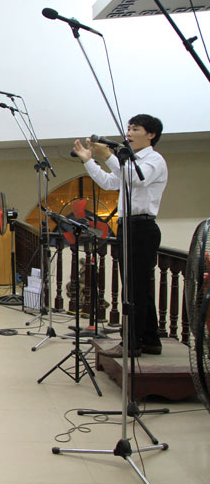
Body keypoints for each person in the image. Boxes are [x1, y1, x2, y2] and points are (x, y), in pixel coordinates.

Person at [73, 114, 168, 357]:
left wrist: (108, 156)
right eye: (129, 128)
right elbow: (109, 183)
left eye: (135, 129)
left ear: (151, 135)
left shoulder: (153, 160)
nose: (129, 133)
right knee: (137, 286)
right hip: (128, 226)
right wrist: (89, 161)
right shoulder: (130, 162)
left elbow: (136, 178)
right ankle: (150, 340)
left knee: (134, 289)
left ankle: (131, 344)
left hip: (142, 227)